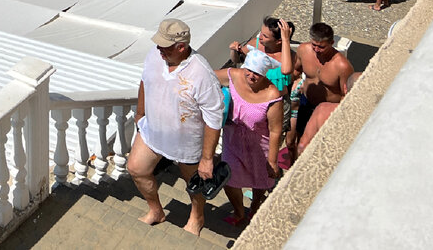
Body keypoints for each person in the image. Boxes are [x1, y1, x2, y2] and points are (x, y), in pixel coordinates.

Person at [127, 18, 224, 236]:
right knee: (136, 168)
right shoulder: (155, 54)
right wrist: (140, 113)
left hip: (188, 144)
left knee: (194, 184)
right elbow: (145, 80)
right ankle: (156, 211)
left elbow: (214, 117)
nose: (159, 50)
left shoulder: (202, 73)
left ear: (181, 47)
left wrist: (207, 159)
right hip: (153, 132)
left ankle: (197, 216)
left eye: (164, 47)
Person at [211, 49, 283, 227]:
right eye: (248, 70)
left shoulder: (272, 95)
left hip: (260, 147)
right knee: (228, 179)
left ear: (264, 74)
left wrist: (272, 160)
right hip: (232, 141)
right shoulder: (234, 75)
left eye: (257, 73)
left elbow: (275, 130)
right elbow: (206, 77)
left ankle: (256, 205)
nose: (251, 76)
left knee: (260, 180)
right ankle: (239, 211)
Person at [288, 22, 354, 161]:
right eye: (314, 45)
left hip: (327, 109)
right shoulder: (303, 50)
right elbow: (295, 70)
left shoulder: (342, 65)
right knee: (300, 140)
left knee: (320, 145)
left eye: (321, 47)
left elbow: (346, 95)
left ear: (331, 42)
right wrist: (292, 85)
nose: (317, 50)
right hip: (306, 102)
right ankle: (295, 168)